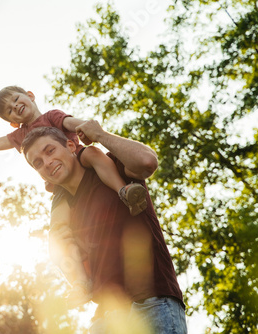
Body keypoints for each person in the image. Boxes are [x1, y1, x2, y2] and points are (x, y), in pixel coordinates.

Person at [0, 85, 147, 307]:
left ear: (30, 96)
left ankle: (124, 191)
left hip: (79, 159)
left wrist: (91, 130)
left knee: (94, 153)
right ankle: (79, 284)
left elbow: (73, 123)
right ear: (12, 122)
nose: (15, 106)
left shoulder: (52, 116)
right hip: (59, 186)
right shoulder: (19, 135)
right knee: (58, 233)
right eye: (10, 110)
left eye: (16, 100)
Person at [21, 125, 187, 334]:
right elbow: (63, 253)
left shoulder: (110, 166)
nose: (47, 162)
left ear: (71, 145)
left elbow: (147, 161)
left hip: (152, 301)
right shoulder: (63, 211)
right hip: (107, 316)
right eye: (38, 163)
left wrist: (99, 134)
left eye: (50, 150)